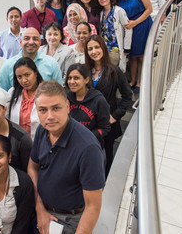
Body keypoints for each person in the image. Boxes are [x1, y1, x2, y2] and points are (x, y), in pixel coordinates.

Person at [27, 81, 105, 234]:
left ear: (68, 106)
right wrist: (40, 208)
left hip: (70, 221)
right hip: (41, 211)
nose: (49, 116)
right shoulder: (43, 131)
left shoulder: (87, 148)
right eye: (43, 110)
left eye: (56, 108)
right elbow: (32, 167)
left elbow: (93, 206)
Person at [84, 35, 132, 175]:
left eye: (97, 47)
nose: (94, 51)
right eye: (90, 49)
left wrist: (115, 116)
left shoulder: (114, 71)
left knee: (106, 157)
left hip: (106, 123)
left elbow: (127, 96)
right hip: (88, 122)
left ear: (103, 48)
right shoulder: (85, 70)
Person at [111, 0, 153, 93]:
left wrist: (136, 22)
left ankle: (140, 81)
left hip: (143, 25)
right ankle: (133, 80)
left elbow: (149, 9)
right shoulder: (116, 1)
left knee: (141, 56)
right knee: (133, 56)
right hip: (129, 29)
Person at [0, 27, 63, 91]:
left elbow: (59, 92)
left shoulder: (52, 63)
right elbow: (2, 94)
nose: (31, 42)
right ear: (20, 42)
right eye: (26, 38)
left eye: (35, 39)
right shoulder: (8, 66)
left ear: (40, 43)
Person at [65, 63, 110, 148]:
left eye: (76, 78)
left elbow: (105, 129)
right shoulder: (66, 97)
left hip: (90, 146)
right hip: (70, 145)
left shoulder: (99, 100)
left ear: (86, 80)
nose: (71, 82)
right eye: (69, 78)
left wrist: (85, 137)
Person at [7, 57, 44, 138]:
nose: (24, 80)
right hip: (18, 144)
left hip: (40, 142)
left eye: (27, 75)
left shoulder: (46, 92)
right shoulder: (12, 93)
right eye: (19, 77)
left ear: (36, 72)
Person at [96, 0, 132, 70]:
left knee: (112, 71)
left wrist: (127, 48)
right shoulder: (101, 14)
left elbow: (128, 28)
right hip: (104, 49)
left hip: (116, 49)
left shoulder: (119, 11)